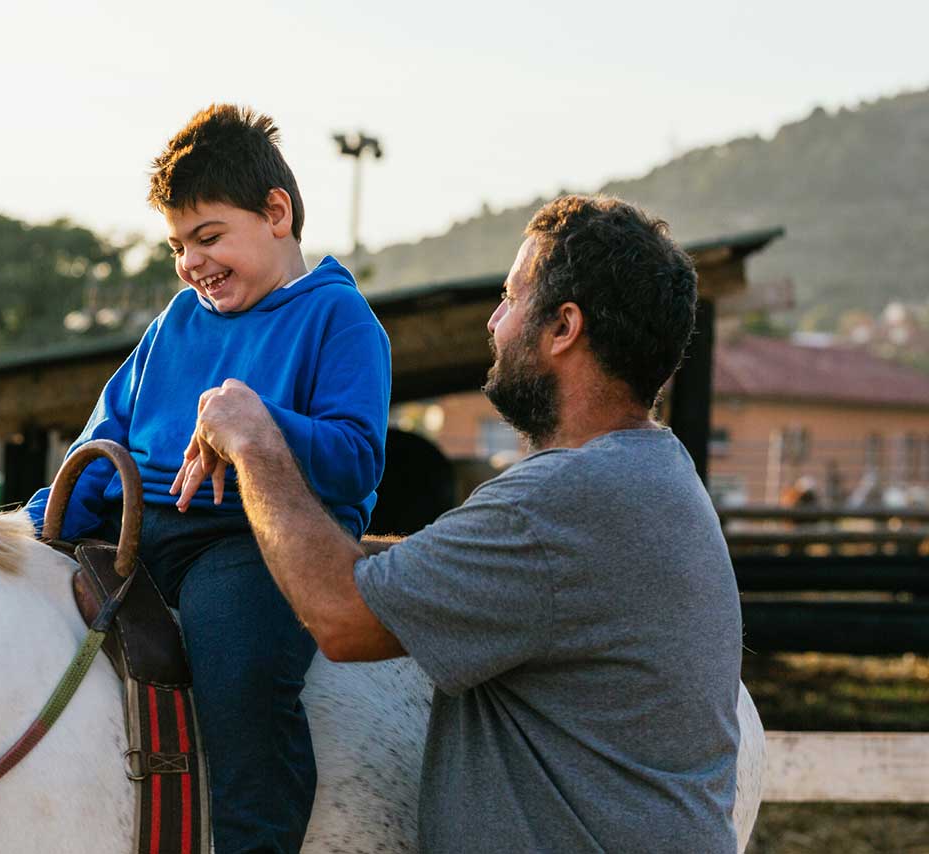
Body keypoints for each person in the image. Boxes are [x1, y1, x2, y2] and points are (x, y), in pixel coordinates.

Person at [186, 195, 744, 853]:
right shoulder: (652, 473)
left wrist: (256, 441)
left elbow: (341, 614)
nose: (494, 322)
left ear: (563, 327)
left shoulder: (563, 500)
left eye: (511, 299)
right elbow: (434, 569)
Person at [24, 104, 391, 854]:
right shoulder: (176, 321)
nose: (192, 263)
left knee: (241, 676)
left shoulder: (340, 320)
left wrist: (260, 422)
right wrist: (41, 521)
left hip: (255, 541)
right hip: (142, 525)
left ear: (276, 213)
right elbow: (111, 427)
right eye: (177, 247)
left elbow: (356, 457)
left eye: (209, 237)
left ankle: (255, 842)